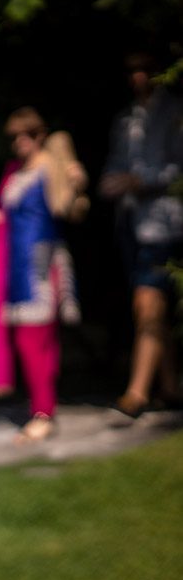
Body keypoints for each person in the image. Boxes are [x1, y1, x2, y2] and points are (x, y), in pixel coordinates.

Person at [0, 107, 84, 442]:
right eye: (13, 136)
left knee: (34, 341)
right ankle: (41, 408)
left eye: (26, 134)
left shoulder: (51, 168)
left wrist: (75, 180)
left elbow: (68, 207)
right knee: (31, 342)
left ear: (40, 135)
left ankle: (43, 412)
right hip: (14, 266)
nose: (19, 142)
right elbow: (10, 219)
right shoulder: (15, 171)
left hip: (40, 265)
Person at [99, 52, 183, 417]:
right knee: (154, 307)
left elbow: (177, 168)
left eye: (143, 68)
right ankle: (170, 387)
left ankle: (137, 392)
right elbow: (116, 165)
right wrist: (112, 183)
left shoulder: (175, 112)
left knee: (147, 303)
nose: (137, 76)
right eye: (131, 69)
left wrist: (142, 181)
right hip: (131, 221)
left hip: (166, 221)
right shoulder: (126, 119)